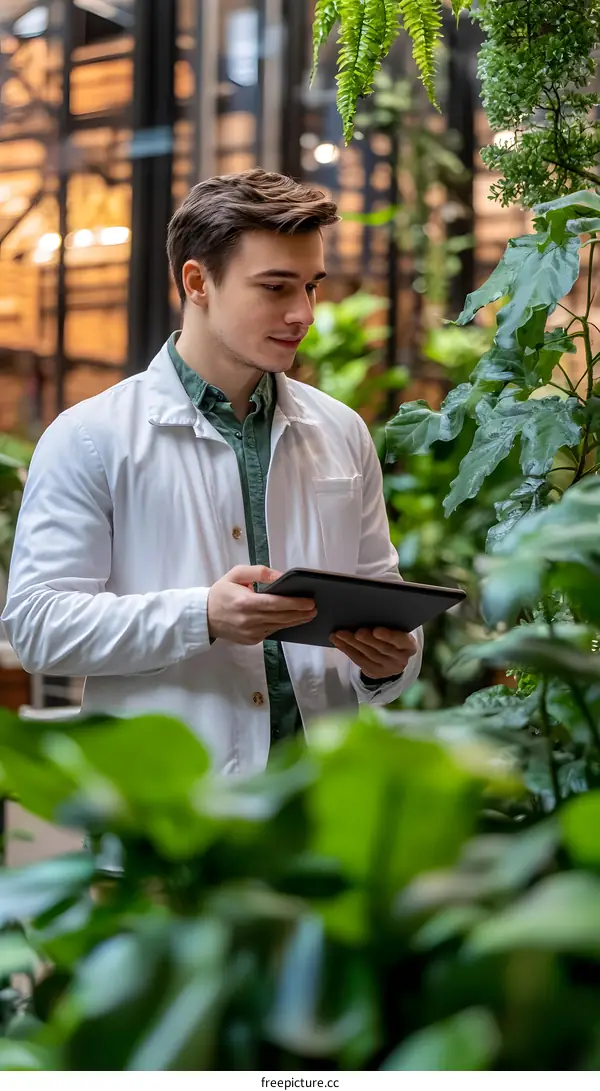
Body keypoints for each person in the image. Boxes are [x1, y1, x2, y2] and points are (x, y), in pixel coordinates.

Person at [2, 169, 422, 775]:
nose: (303, 313)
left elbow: (384, 595)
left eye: (311, 286)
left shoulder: (342, 431)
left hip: (319, 806)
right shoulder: (89, 437)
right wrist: (202, 616)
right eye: (276, 288)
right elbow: (40, 628)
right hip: (173, 811)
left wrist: (388, 663)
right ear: (197, 282)